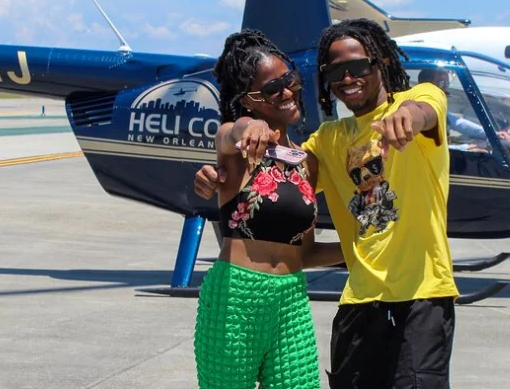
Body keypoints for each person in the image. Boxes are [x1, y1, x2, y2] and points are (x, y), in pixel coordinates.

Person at [195, 19, 459, 388]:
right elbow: (232, 140)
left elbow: (426, 108)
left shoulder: (416, 101)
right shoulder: (322, 143)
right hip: (352, 301)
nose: (348, 78)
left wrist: (408, 117)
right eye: (335, 71)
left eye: (358, 66)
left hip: (421, 297)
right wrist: (237, 138)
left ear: (382, 61)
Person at [193, 29, 343, 389]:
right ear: (249, 100)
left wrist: (358, 250)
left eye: (289, 80)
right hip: (236, 297)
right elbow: (231, 134)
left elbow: (305, 254)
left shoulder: (307, 162)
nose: (287, 92)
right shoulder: (238, 146)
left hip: (290, 299)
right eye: (273, 89)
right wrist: (251, 126)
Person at [418, 68, 510, 155]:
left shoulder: (435, 107)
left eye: (447, 84)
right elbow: (429, 148)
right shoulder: (423, 110)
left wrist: (493, 134)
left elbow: (457, 123)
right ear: (428, 85)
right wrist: (466, 147)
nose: (445, 88)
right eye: (442, 83)